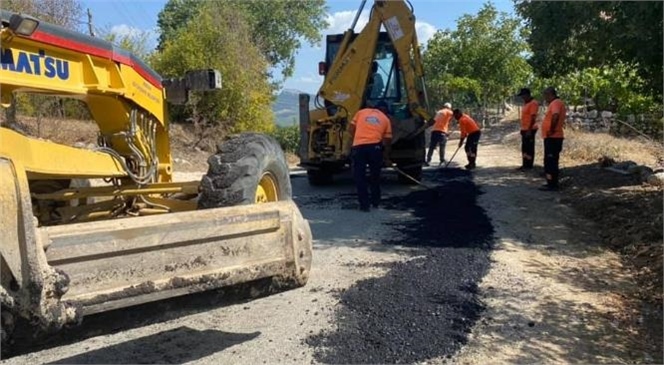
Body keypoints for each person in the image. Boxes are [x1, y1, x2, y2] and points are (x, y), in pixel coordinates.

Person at [348, 101, 393, 211]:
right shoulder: (386, 119)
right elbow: (387, 141)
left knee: (360, 177)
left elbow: (350, 128)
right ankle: (375, 202)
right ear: (385, 110)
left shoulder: (361, 113)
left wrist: (357, 138)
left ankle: (364, 205)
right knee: (375, 176)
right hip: (375, 148)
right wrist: (386, 157)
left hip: (359, 148)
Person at [540, 87, 566, 191]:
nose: (545, 98)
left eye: (546, 95)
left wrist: (551, 129)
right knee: (549, 161)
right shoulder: (555, 103)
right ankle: (550, 182)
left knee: (551, 161)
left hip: (553, 137)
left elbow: (555, 116)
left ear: (550, 94)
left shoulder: (555, 103)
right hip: (551, 137)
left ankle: (553, 184)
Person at [516, 88, 539, 171]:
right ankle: (524, 164)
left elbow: (533, 117)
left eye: (523, 95)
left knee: (529, 148)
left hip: (530, 129)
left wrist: (529, 129)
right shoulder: (526, 103)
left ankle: (529, 165)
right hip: (524, 129)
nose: (522, 97)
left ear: (527, 95)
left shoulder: (533, 103)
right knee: (524, 148)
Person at [425, 102, 453, 166]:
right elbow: (455, 115)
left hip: (434, 131)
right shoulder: (448, 111)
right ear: (449, 108)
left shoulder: (439, 112)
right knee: (442, 146)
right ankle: (442, 160)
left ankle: (428, 160)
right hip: (442, 131)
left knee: (432, 146)